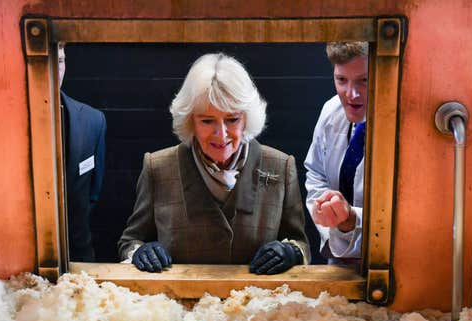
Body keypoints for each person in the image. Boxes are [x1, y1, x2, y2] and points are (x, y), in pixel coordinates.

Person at [118, 53, 310, 274]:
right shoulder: (158, 167)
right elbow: (130, 241)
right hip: (178, 303)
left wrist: (291, 252)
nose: (222, 134)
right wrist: (139, 252)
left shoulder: (280, 166)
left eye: (232, 119)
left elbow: (301, 243)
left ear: (247, 117)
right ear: (191, 120)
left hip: (258, 303)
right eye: (207, 121)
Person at [304, 42, 368, 263]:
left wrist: (352, 219)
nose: (351, 94)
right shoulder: (331, 111)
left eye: (364, 80)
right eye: (342, 80)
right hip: (338, 263)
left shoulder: (410, 133)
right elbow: (315, 174)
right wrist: (330, 216)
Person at [58, 42, 107, 262]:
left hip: (79, 254)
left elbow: (93, 192)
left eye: (59, 61)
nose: (54, 71)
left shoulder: (92, 120)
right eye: (46, 62)